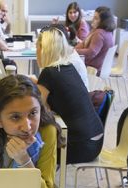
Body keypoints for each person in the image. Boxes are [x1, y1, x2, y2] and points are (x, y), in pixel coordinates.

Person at [36, 25, 103, 163]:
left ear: (44, 49)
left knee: (32, 148)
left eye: (37, 47)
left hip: (81, 146)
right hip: (96, 140)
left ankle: (41, 183)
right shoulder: (68, 67)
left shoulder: (48, 73)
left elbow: (38, 111)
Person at [75, 6, 115, 73]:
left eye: (96, 18)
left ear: (103, 21)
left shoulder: (99, 33)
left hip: (93, 70)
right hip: (101, 68)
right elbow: (84, 43)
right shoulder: (106, 31)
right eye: (94, 17)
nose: (92, 20)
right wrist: (73, 49)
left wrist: (75, 51)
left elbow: (92, 52)